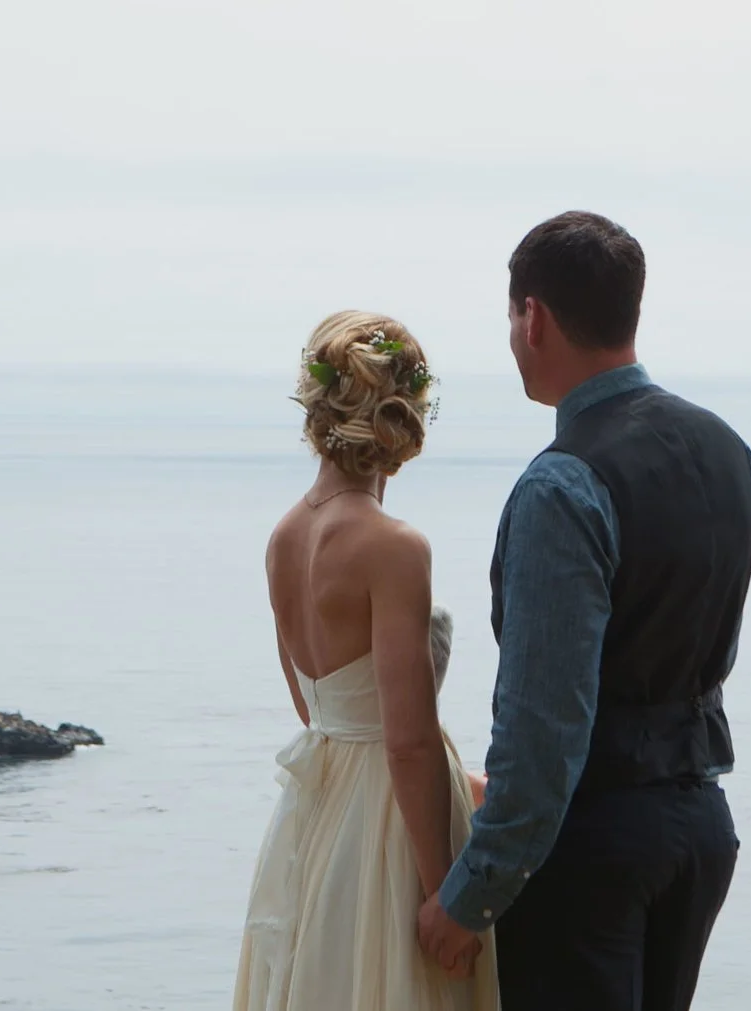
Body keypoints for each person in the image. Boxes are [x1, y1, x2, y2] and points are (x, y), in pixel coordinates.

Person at [417, 213, 751, 1011]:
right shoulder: (729, 452)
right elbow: (705, 653)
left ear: (532, 316)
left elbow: (545, 726)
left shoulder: (560, 486)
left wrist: (467, 896)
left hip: (591, 853)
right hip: (700, 829)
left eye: (511, 316)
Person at [234, 311, 499, 1011]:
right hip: (389, 830)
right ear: (402, 421)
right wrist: (447, 889)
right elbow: (405, 739)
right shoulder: (394, 546)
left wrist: (462, 780)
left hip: (315, 819)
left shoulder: (283, 537)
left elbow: (319, 711)